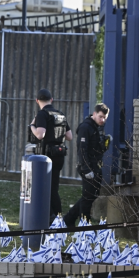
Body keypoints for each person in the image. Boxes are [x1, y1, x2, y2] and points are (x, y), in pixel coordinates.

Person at [28, 89, 73, 221]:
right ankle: (57, 217)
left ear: (37, 101)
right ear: (51, 99)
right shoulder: (60, 114)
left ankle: (52, 217)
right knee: (54, 188)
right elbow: (69, 136)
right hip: (59, 154)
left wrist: (32, 126)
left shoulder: (42, 114)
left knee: (44, 188)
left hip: (46, 156)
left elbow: (40, 134)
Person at [63, 103, 110, 228]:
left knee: (92, 195)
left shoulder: (97, 127)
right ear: (94, 114)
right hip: (88, 167)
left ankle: (69, 218)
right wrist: (87, 169)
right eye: (100, 117)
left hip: (96, 166)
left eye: (105, 117)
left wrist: (104, 145)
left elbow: (96, 149)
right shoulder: (86, 127)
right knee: (87, 197)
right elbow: (82, 151)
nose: (103, 120)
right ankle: (85, 225)